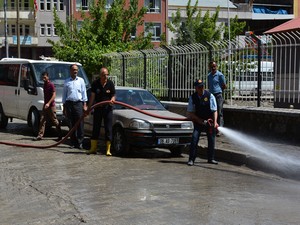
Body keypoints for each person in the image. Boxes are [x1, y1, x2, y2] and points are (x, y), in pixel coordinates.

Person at [187, 79, 219, 166]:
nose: (201, 88)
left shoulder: (210, 96)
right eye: (199, 87)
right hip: (198, 121)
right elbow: (190, 113)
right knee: (194, 138)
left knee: (211, 139)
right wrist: (199, 120)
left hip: (209, 121)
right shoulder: (192, 97)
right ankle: (191, 159)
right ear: (196, 88)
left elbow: (214, 110)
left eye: (202, 86)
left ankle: (211, 158)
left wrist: (215, 122)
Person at [86, 67, 116, 155]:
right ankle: (93, 148)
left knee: (108, 128)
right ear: (100, 75)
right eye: (104, 75)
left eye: (107, 75)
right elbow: (92, 97)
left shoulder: (110, 83)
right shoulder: (95, 83)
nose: (105, 77)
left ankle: (108, 149)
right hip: (98, 108)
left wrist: (112, 99)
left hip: (108, 109)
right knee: (96, 127)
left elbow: (113, 95)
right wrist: (89, 108)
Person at [62, 64, 88, 149]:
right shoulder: (66, 81)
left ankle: (80, 142)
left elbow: (84, 93)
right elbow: (64, 95)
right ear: (70, 71)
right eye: (73, 70)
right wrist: (64, 107)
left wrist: (84, 105)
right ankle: (73, 142)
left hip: (78, 104)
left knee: (80, 124)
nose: (75, 71)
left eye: (76, 70)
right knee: (71, 124)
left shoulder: (81, 80)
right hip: (69, 104)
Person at [33, 72, 62, 141]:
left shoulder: (51, 85)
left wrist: (48, 103)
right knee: (42, 120)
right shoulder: (44, 85)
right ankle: (40, 135)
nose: (43, 79)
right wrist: (45, 104)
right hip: (45, 105)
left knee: (54, 120)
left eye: (45, 77)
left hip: (51, 106)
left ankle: (60, 134)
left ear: (48, 77)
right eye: (43, 77)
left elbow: (54, 95)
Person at [207, 61, 227, 136]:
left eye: (214, 66)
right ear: (209, 67)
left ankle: (220, 129)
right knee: (212, 111)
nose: (213, 68)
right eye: (212, 66)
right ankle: (213, 128)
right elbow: (209, 85)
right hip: (211, 96)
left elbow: (224, 85)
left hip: (218, 95)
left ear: (217, 67)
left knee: (219, 111)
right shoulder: (209, 76)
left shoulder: (220, 75)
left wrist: (219, 90)